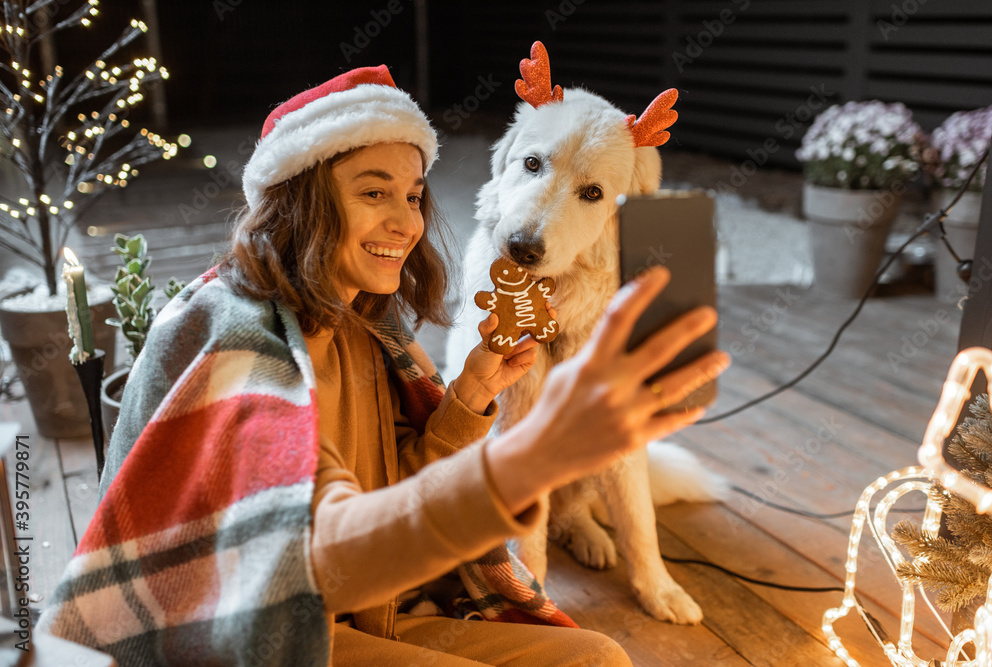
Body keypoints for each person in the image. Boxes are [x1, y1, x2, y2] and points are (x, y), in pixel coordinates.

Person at [38, 66, 728, 666]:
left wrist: (471, 393)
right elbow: (321, 555)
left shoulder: (364, 326)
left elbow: (394, 479)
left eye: (412, 194)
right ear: (302, 195)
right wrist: (534, 454)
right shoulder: (234, 339)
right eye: (374, 192)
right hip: (260, 635)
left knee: (600, 657)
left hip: (382, 603)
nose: (406, 221)